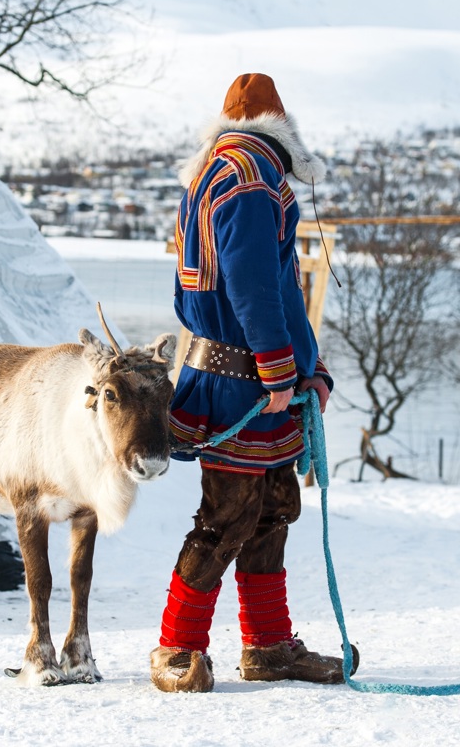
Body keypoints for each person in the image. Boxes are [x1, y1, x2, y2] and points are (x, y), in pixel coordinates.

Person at [151, 73, 355, 693]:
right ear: (283, 130)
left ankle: (268, 646)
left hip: (256, 376)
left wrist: (309, 369)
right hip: (244, 380)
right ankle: (176, 649)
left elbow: (277, 286)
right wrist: (276, 367)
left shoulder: (223, 170)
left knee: (270, 511)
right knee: (229, 514)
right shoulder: (251, 180)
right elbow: (252, 285)